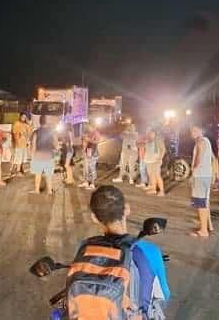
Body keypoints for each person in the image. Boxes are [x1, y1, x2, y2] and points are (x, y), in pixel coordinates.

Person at [68, 186, 169, 319]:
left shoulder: (84, 248)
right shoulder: (148, 251)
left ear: (94, 218)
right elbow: (164, 295)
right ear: (127, 209)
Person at [190, 125, 218, 237]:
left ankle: (203, 230)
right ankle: (208, 225)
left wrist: (193, 169)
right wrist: (214, 173)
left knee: (200, 203)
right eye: (191, 131)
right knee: (205, 201)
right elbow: (213, 158)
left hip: (200, 176)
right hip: (206, 175)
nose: (192, 133)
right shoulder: (207, 141)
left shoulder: (200, 142)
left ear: (201, 130)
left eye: (195, 130)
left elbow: (199, 157)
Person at [29, 115, 58, 194]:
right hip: (49, 155)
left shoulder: (36, 132)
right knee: (48, 174)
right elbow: (56, 145)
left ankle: (37, 190)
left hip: (38, 155)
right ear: (47, 122)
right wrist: (55, 150)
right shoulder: (52, 132)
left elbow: (33, 145)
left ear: (40, 122)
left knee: (38, 174)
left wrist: (32, 155)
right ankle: (49, 191)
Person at [144, 130, 166, 197]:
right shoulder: (148, 140)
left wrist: (160, 158)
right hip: (148, 160)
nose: (150, 134)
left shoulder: (158, 140)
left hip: (156, 161)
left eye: (151, 133)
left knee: (157, 175)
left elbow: (163, 150)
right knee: (151, 175)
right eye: (149, 133)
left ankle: (162, 191)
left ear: (154, 133)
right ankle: (154, 189)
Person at [79, 124, 101, 190]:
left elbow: (97, 141)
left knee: (92, 169)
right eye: (88, 127)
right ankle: (86, 182)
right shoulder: (88, 133)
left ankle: (92, 184)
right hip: (87, 152)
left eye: (89, 127)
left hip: (93, 154)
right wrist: (83, 150)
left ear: (94, 126)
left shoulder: (96, 133)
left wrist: (88, 139)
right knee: (85, 168)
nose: (88, 128)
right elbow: (84, 143)